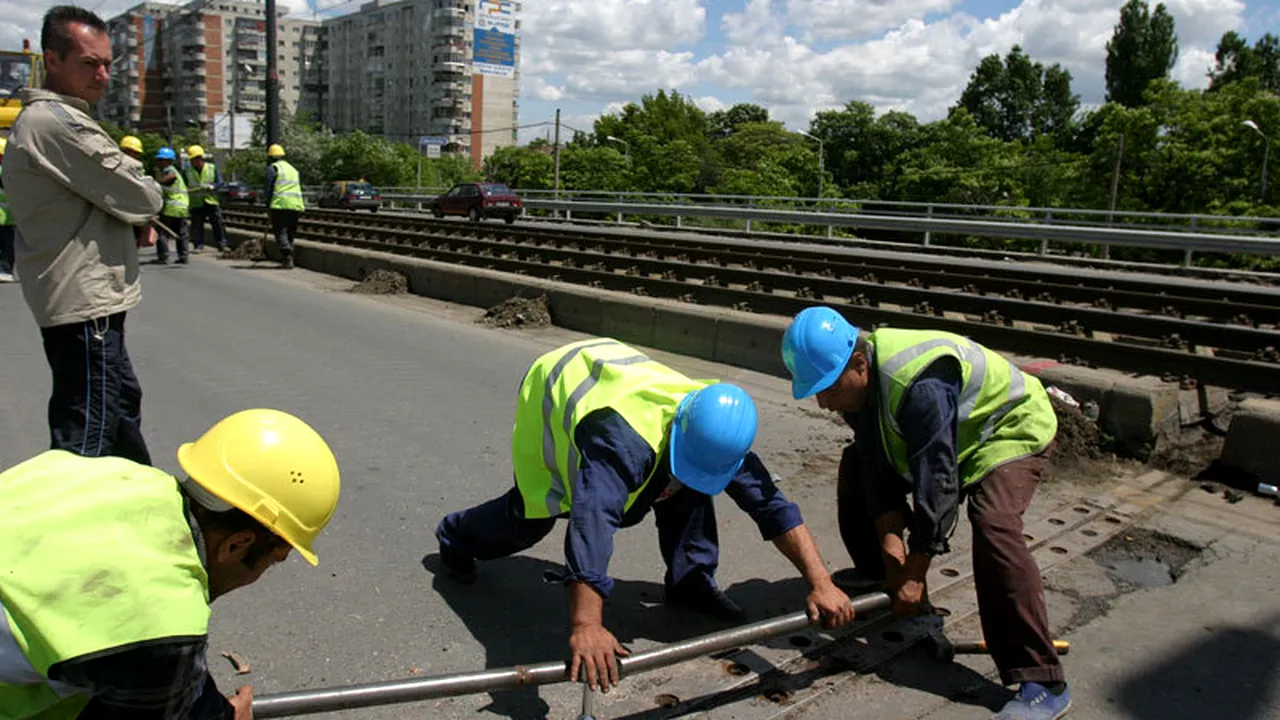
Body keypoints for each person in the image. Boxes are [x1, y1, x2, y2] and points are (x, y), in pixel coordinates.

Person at [436, 337, 856, 692]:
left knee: (687, 484)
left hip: (616, 376)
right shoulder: (623, 445)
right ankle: (455, 536)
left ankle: (691, 582)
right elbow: (592, 521)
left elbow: (771, 505)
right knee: (531, 514)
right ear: (679, 430)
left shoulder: (718, 427)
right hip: (559, 383)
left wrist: (821, 583)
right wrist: (587, 624)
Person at [780, 306, 1069, 720]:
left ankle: (1045, 680)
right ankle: (882, 577)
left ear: (859, 363)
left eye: (828, 389)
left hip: (1006, 428)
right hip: (953, 439)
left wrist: (916, 572)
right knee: (857, 463)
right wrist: (895, 562)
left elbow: (938, 482)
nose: (824, 403)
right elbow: (879, 473)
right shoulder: (860, 386)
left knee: (994, 523)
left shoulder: (918, 384)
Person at [0, 408, 342, 720]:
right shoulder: (161, 623)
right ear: (236, 545)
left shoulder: (109, 473)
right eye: (271, 561)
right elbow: (154, 650)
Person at [5, 5, 163, 466]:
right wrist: (137, 200)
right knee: (88, 436)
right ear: (52, 60)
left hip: (89, 303)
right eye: (89, 63)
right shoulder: (55, 123)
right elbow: (143, 195)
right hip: (83, 304)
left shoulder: (62, 120)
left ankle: (136, 508)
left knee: (116, 412)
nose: (103, 75)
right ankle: (73, 527)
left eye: (108, 63)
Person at [263, 143, 303, 269]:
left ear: (270, 157)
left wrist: (267, 205)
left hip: (280, 204)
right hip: (295, 205)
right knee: (290, 232)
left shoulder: (272, 168)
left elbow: (269, 188)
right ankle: (288, 260)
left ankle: (287, 253)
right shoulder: (292, 169)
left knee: (280, 231)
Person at [184, 144, 227, 253]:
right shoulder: (187, 171)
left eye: (195, 159)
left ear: (200, 158)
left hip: (210, 201)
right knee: (197, 225)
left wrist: (213, 187)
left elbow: (221, 182)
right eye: (192, 159)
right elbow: (183, 185)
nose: (193, 162)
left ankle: (222, 244)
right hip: (196, 202)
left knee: (218, 223)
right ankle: (198, 245)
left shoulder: (211, 168)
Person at [154, 146, 190, 265]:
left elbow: (171, 178)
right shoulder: (173, 171)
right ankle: (183, 255)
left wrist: (156, 182)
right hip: (182, 207)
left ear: (168, 161)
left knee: (162, 232)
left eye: (161, 159)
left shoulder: (170, 171)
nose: (159, 162)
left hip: (171, 207)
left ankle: (163, 256)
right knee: (182, 233)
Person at [0, 137, 14, 282]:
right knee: (8, 246)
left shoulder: (5, 170)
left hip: (7, 217)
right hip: (9, 218)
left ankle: (5, 269)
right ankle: (6, 269)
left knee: (7, 246)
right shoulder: (10, 169)